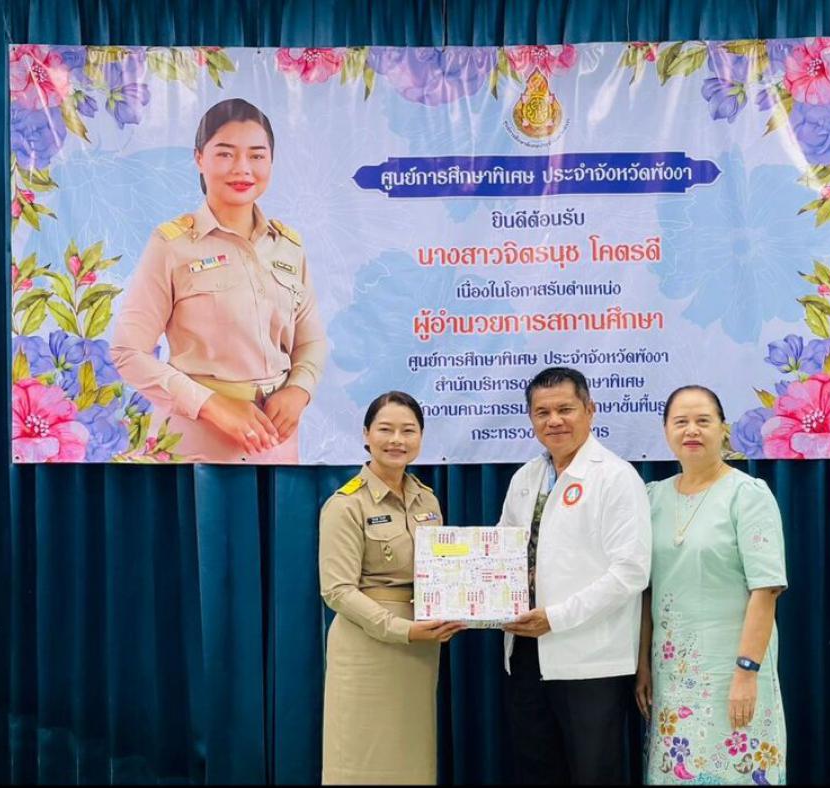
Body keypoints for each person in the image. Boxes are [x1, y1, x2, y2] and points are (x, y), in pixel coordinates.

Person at [111, 98, 327, 463]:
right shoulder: (172, 245)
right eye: (225, 154)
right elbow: (127, 352)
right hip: (195, 442)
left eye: (257, 155)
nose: (242, 168)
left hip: (275, 441)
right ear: (199, 158)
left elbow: (312, 341)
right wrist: (212, 405)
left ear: (271, 162)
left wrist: (299, 390)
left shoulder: (288, 246)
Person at [497, 367, 652, 784]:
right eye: (542, 412)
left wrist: (556, 618)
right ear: (531, 418)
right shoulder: (525, 478)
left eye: (565, 409)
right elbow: (500, 554)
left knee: (594, 774)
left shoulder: (616, 477)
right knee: (535, 773)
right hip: (525, 654)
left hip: (591, 663)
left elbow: (630, 572)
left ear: (590, 410)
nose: (554, 421)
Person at [635, 386, 788, 785]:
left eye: (703, 421)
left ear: (723, 428)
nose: (692, 430)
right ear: (666, 431)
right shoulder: (652, 498)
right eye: (680, 422)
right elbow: (646, 590)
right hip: (672, 674)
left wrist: (746, 672)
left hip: (734, 670)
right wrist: (642, 664)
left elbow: (766, 590)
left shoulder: (748, 495)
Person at [319, 391, 465, 785]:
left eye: (408, 430)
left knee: (412, 757)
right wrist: (402, 629)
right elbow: (337, 591)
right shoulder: (346, 504)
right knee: (360, 756)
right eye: (385, 429)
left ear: (421, 437)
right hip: (367, 648)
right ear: (366, 434)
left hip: (420, 647)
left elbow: (441, 571)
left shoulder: (427, 501)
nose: (397, 440)